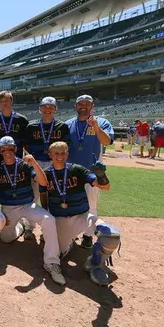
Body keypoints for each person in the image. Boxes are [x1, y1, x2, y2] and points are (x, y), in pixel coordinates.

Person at [41, 141, 121, 286]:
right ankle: (68, 244)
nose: (60, 156)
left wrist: (101, 175)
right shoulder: (45, 174)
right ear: (50, 155)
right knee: (58, 253)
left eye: (63, 153)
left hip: (82, 216)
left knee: (111, 235)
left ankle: (94, 264)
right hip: (60, 220)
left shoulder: (77, 169)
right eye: (56, 153)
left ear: (68, 154)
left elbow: (105, 187)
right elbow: (42, 193)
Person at [0, 136, 65, 285]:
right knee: (5, 239)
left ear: (15, 149)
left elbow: (43, 182)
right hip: (8, 207)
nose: (7, 151)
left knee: (49, 219)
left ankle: (52, 262)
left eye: (10, 148)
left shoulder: (25, 165)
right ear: (0, 151)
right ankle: (21, 226)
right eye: (4, 149)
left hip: (27, 205)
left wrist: (33, 163)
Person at [65, 94, 114, 249]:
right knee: (70, 204)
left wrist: (96, 127)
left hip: (91, 172)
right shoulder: (68, 124)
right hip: (71, 172)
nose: (83, 106)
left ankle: (87, 236)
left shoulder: (102, 122)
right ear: (76, 106)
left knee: (91, 206)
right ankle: (70, 235)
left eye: (87, 103)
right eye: (80, 103)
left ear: (92, 106)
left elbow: (107, 141)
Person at [23, 96, 70, 239]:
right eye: (45, 107)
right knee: (34, 195)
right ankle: (29, 227)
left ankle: (48, 230)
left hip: (54, 164)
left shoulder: (62, 127)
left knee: (53, 196)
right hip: (36, 163)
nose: (48, 109)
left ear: (55, 109)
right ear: (40, 109)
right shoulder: (31, 127)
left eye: (51, 107)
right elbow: (25, 147)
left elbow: (66, 148)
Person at [0, 91, 28, 165]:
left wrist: (26, 156)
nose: (4, 103)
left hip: (15, 155)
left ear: (12, 101)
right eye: (1, 101)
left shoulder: (22, 120)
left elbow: (26, 142)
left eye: (6, 100)